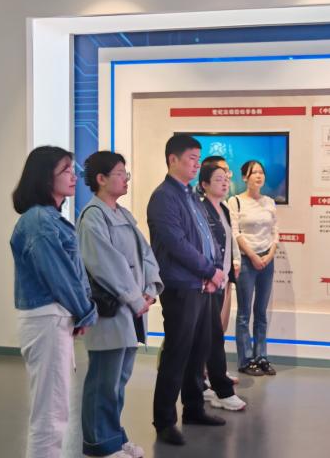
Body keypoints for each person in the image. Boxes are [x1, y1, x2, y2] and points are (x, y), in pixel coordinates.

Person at [10, 145, 98, 458]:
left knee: (53, 409)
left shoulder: (48, 219)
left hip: (54, 318)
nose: (74, 176)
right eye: (66, 170)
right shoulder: (39, 221)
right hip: (48, 319)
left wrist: (80, 313)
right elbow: (60, 275)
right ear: (45, 178)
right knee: (50, 415)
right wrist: (85, 311)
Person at [77, 151, 163, 458]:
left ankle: (113, 436)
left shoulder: (123, 214)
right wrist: (135, 298)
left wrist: (150, 289)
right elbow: (105, 264)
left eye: (126, 174)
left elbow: (146, 254)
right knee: (104, 381)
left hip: (131, 309)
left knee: (118, 381)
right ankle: (99, 444)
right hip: (112, 311)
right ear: (101, 179)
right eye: (119, 174)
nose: (126, 179)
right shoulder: (92, 217)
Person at [147, 135, 228, 446]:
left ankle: (194, 408)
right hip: (181, 286)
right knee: (177, 353)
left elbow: (205, 238)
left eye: (198, 158)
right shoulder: (163, 197)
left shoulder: (191, 195)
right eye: (192, 158)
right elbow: (176, 244)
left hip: (202, 285)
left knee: (198, 350)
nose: (197, 164)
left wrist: (212, 273)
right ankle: (165, 421)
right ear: (173, 159)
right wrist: (209, 271)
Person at [196, 156, 248, 411]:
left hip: (222, 280)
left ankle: (204, 384)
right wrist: (211, 275)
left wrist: (231, 270)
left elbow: (229, 243)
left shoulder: (224, 209)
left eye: (226, 178)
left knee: (212, 334)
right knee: (212, 335)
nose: (225, 183)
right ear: (204, 184)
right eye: (218, 179)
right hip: (207, 282)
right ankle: (221, 390)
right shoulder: (201, 210)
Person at [228, 160, 280, 376]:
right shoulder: (235, 201)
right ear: (244, 177)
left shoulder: (269, 201)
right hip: (247, 261)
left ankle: (261, 356)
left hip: (267, 259)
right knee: (244, 313)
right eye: (254, 172)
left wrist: (269, 254)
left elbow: (275, 231)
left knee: (261, 312)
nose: (259, 176)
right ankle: (245, 360)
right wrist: (252, 256)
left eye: (261, 172)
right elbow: (235, 233)